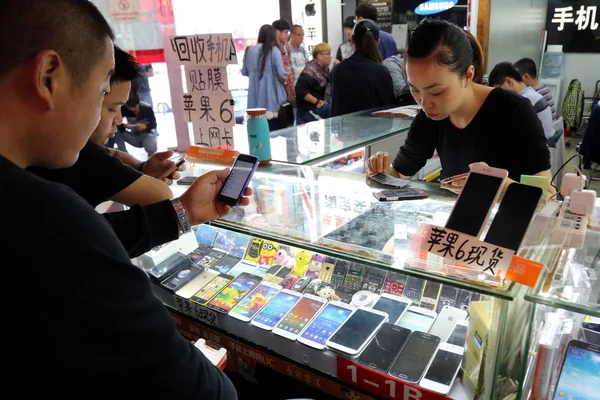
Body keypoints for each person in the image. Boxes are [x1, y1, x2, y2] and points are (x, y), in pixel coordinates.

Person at [0, 1, 250, 397]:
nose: (112, 117)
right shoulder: (47, 215)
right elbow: (190, 384)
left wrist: (184, 211)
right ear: (49, 77)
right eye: (103, 92)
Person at [366, 19, 553, 196]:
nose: (424, 103)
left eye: (437, 91)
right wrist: (380, 172)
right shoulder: (430, 117)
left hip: (509, 222)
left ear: (468, 76)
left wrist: (501, 187)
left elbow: (548, 195)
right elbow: (399, 174)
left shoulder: (514, 112)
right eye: (414, 89)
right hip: (456, 223)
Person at [29, 47, 174, 208]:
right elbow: (162, 196)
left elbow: (111, 153)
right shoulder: (81, 156)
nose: (119, 120)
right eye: (112, 108)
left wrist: (141, 168)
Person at [331, 19, 394, 117]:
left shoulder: (337, 70)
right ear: (378, 42)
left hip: (344, 130)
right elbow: (388, 108)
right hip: (375, 130)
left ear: (352, 40)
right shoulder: (381, 71)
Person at [489, 62, 555, 141]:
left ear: (508, 81)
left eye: (498, 90)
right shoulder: (533, 94)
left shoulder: (523, 101)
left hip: (536, 147)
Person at [242, 24, 288, 131]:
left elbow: (244, 72)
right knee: (274, 133)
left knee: (259, 134)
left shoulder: (249, 50)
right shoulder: (274, 50)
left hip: (254, 99)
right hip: (270, 100)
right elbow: (282, 73)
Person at [295, 43, 332, 123]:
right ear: (319, 56)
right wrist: (317, 101)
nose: (330, 57)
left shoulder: (324, 70)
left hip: (319, 108)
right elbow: (300, 91)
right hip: (309, 110)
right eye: (328, 54)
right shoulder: (310, 71)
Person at [111, 92, 158, 156]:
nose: (133, 110)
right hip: (134, 135)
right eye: (131, 108)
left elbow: (154, 125)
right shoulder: (124, 109)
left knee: (150, 144)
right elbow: (116, 124)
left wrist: (146, 126)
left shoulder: (147, 108)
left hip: (146, 135)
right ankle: (124, 155)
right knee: (117, 132)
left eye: (135, 107)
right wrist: (124, 126)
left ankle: (151, 154)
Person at [273, 19, 295, 103]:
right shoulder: (276, 49)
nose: (287, 36)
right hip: (281, 92)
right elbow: (281, 74)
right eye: (285, 32)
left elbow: (288, 67)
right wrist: (289, 93)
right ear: (278, 32)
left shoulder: (283, 47)